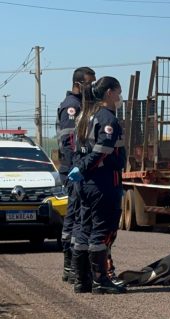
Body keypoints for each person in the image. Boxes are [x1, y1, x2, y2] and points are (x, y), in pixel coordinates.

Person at [68, 76, 126, 294]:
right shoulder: (107, 118)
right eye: (118, 92)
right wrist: (83, 168)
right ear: (109, 92)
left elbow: (75, 149)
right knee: (101, 230)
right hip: (102, 182)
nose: (120, 97)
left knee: (84, 230)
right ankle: (100, 280)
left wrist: (79, 169)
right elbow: (102, 151)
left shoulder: (85, 116)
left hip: (84, 182)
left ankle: (82, 280)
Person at [56, 67, 96, 283]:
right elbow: (70, 142)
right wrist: (78, 168)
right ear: (79, 84)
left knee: (78, 216)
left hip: (76, 169)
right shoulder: (72, 107)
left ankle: (73, 267)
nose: (93, 87)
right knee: (74, 217)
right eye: (90, 83)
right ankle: (70, 266)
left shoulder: (82, 105)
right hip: (73, 170)